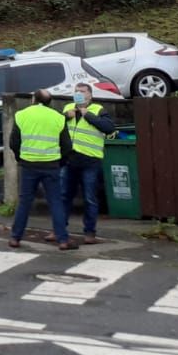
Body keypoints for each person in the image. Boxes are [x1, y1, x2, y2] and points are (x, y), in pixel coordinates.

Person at [8, 91, 75, 251]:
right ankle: (63, 240)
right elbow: (67, 146)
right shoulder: (58, 117)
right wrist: (60, 162)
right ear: (49, 102)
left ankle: (15, 238)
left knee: (25, 202)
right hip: (51, 165)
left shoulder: (21, 115)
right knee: (56, 202)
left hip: (29, 165)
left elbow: (13, 142)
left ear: (33, 99)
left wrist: (20, 158)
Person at [49, 83, 115, 245]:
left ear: (90, 95)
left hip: (90, 161)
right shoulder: (68, 108)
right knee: (63, 196)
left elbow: (109, 128)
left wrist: (89, 116)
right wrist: (66, 117)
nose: (79, 93)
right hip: (69, 160)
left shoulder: (98, 110)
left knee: (90, 198)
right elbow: (53, 125)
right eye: (77, 91)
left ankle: (90, 232)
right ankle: (58, 230)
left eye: (83, 91)